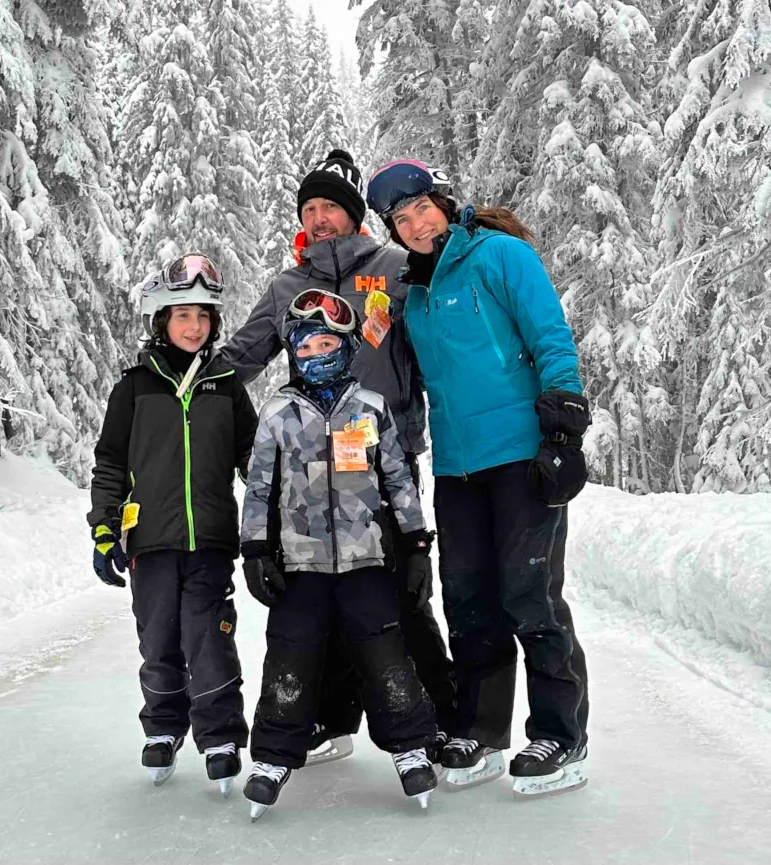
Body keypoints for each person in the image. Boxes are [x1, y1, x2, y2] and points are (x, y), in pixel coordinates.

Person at [221, 148, 457, 765]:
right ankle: (331, 718)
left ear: (354, 215)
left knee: (397, 594)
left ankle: (442, 718)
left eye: (331, 206)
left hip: (387, 457)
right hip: (309, 470)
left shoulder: (396, 267)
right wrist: (181, 371)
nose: (320, 217)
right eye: (310, 207)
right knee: (320, 590)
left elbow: (438, 342)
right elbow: (241, 360)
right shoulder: (288, 287)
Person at [365, 159, 591, 799]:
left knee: (531, 597)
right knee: (468, 601)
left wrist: (564, 425)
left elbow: (549, 334)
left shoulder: (499, 256)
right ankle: (482, 730)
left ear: (443, 200)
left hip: (519, 452)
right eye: (400, 221)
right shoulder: (413, 293)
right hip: (455, 465)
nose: (413, 226)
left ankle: (560, 734)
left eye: (420, 210)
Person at [240, 290, 439, 821]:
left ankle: (410, 746)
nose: (316, 353)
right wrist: (255, 548)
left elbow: (397, 479)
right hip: (299, 564)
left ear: (347, 347)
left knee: (385, 654)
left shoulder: (370, 409)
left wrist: (417, 544)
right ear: (293, 353)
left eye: (327, 341)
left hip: (366, 561)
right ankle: (273, 758)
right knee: (291, 654)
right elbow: (259, 487)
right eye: (305, 345)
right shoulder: (278, 413)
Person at [87, 254, 257, 797]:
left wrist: (275, 518)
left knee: (208, 637)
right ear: (161, 320)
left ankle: (221, 736)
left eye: (204, 316)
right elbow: (110, 462)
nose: (195, 326)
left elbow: (253, 458)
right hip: (151, 542)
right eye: (183, 314)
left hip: (209, 539)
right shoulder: (135, 387)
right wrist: (104, 528)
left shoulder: (226, 385)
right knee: (158, 639)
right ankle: (163, 729)